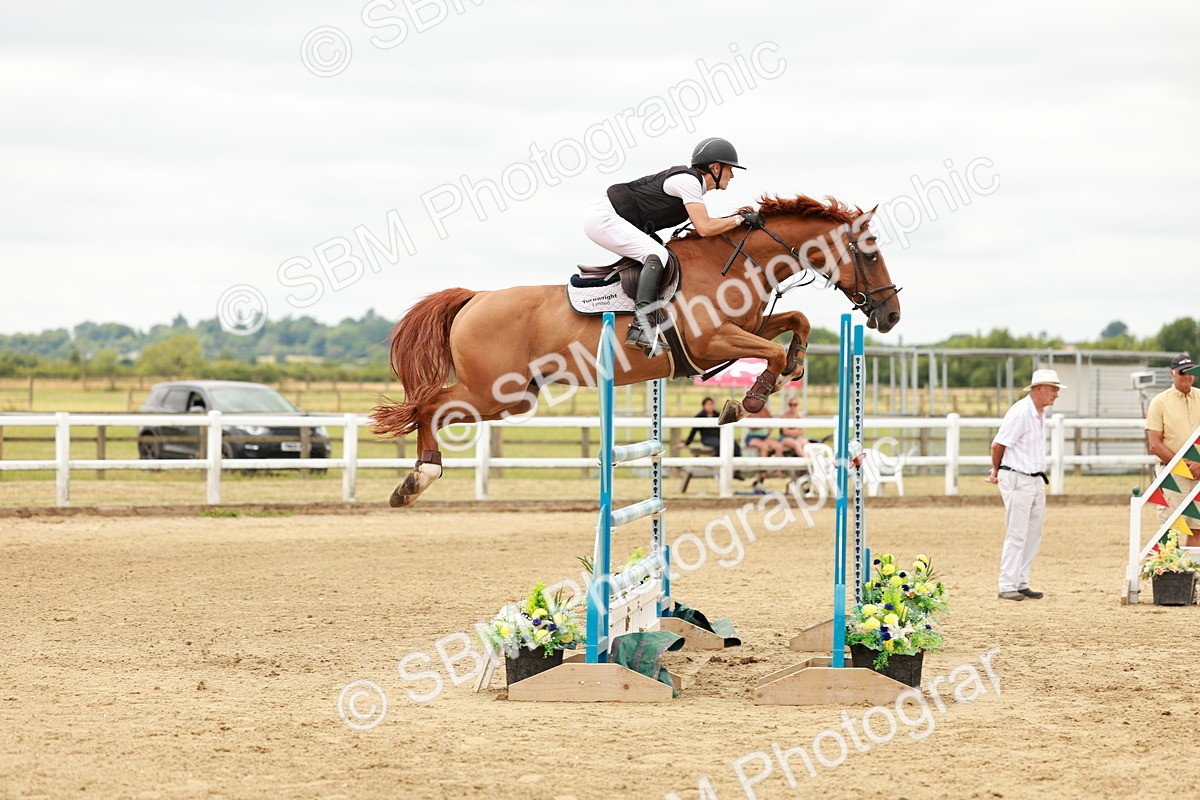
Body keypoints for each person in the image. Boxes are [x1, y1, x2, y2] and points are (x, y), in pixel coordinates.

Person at [582, 137, 764, 354]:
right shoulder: (689, 182)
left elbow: (705, 226)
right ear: (715, 167)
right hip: (603, 217)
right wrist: (739, 220)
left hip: (613, 217)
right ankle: (641, 326)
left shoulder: (692, 185)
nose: (732, 175)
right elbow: (705, 227)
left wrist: (737, 219)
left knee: (662, 253)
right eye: (730, 169)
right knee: (657, 255)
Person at [985, 368, 1065, 601]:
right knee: (1017, 531)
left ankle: (1020, 581)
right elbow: (998, 445)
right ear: (1038, 390)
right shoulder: (1020, 413)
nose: (1056, 395)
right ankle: (1007, 584)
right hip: (1018, 477)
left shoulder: (1038, 413)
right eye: (1053, 390)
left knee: (1033, 532)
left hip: (1034, 478)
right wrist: (996, 471)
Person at [1145, 354, 1200, 547]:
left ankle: (1194, 575)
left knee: (1198, 527)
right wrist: (1185, 466)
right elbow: (1154, 444)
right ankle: (1172, 575)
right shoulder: (1159, 402)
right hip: (1172, 473)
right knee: (1172, 527)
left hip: (1199, 472)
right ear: (1172, 373)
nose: (1186, 375)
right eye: (1181, 372)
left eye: (1190, 371)